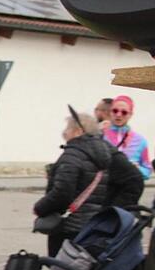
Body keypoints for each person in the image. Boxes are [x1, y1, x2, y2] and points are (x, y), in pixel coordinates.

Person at [34, 110, 137, 257]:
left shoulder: (73, 154)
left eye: (67, 129)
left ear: (78, 131)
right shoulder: (102, 153)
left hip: (68, 226)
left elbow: (62, 193)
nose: (64, 134)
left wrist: (40, 207)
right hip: (90, 225)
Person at [103, 94, 153, 179]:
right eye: (115, 111)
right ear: (110, 112)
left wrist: (137, 169)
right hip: (105, 188)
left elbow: (147, 171)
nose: (119, 114)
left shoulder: (140, 141)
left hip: (128, 188)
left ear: (130, 114)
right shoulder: (100, 136)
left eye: (124, 112)